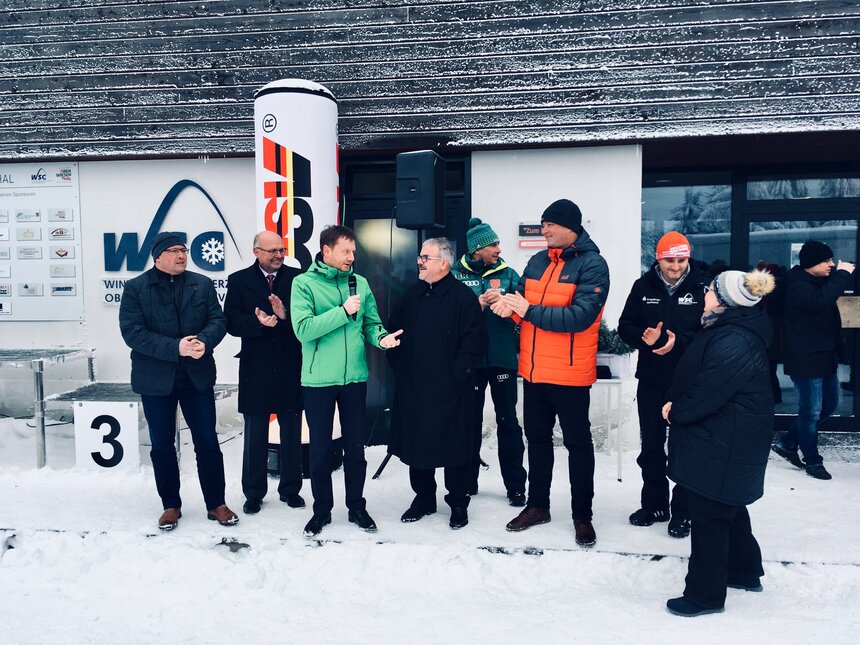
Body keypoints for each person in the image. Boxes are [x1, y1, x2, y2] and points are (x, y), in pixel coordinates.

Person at [491, 199, 609, 547]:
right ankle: (537, 506)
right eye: (542, 225)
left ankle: (582, 515)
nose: (544, 231)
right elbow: (524, 306)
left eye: (549, 225)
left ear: (570, 226)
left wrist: (527, 310)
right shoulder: (538, 260)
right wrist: (507, 307)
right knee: (537, 441)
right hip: (533, 370)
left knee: (578, 445)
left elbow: (580, 317)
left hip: (571, 373)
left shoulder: (593, 265)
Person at [662, 268, 775, 617]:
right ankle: (743, 571)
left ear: (725, 302)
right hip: (727, 437)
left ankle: (704, 596)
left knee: (710, 514)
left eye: (710, 291)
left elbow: (708, 392)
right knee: (727, 505)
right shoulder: (731, 328)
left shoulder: (734, 340)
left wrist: (675, 411)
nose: (705, 294)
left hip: (726, 439)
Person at [119, 231, 237, 530]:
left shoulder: (202, 284)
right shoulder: (136, 288)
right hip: (155, 379)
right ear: (158, 256)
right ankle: (170, 505)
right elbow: (132, 332)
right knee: (161, 445)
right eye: (173, 250)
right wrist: (176, 348)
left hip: (196, 378)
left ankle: (217, 504)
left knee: (208, 442)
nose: (181, 255)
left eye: (183, 249)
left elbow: (217, 321)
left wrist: (204, 343)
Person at [290, 225, 402, 538]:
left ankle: (357, 506)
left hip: (354, 378)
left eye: (354, 252)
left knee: (355, 449)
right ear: (326, 251)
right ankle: (321, 511)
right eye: (346, 251)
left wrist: (382, 340)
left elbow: (370, 324)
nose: (352, 257)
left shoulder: (359, 283)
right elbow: (303, 329)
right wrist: (341, 311)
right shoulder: (303, 284)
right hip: (317, 382)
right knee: (320, 450)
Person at [388, 237, 487, 530]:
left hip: (452, 390)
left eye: (425, 257)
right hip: (415, 388)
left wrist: (457, 373)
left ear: (443, 263)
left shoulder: (463, 298)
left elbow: (475, 342)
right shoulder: (411, 295)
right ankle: (423, 499)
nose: (419, 262)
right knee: (418, 446)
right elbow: (394, 333)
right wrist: (401, 368)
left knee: (455, 448)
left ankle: (458, 503)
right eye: (420, 257)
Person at [618, 231, 706, 538]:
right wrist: (646, 337)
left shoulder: (701, 287)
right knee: (652, 446)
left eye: (682, 260)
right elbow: (624, 326)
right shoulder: (643, 287)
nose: (676, 266)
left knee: (684, 448)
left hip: (689, 381)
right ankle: (654, 504)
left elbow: (710, 334)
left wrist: (677, 342)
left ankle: (684, 512)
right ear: (659, 258)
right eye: (670, 260)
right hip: (653, 380)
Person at [224, 230, 304, 515]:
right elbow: (230, 321)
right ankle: (254, 493)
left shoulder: (298, 278)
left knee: (292, 432)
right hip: (255, 367)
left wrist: (284, 317)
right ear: (256, 251)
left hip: (290, 366)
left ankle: (291, 490)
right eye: (273, 251)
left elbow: (307, 320)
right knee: (255, 434)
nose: (279, 256)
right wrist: (257, 322)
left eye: (282, 250)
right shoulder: (238, 281)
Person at [452, 218, 527, 506]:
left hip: (501, 359)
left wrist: (506, 300)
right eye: (493, 244)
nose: (498, 248)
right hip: (469, 361)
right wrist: (478, 304)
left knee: (508, 422)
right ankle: (467, 482)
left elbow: (524, 308)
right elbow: (449, 314)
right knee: (468, 422)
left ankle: (516, 487)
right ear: (478, 249)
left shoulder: (509, 274)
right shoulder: (456, 275)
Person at [772, 241, 855, 480]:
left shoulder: (817, 282)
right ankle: (813, 461)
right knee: (810, 412)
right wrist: (841, 275)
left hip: (824, 356)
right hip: (805, 358)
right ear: (810, 263)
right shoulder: (796, 285)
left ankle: (787, 442)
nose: (831, 264)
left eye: (831, 261)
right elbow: (819, 301)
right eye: (826, 261)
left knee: (829, 406)